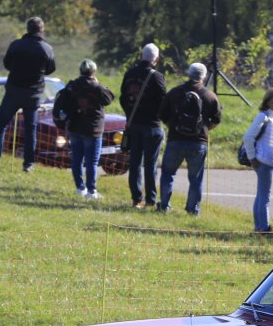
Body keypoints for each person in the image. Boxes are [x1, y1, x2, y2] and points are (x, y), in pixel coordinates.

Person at [0, 16, 56, 171]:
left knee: (1, 125)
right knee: (30, 129)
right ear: (41, 29)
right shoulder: (47, 49)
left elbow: (7, 64)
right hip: (33, 94)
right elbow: (50, 69)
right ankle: (28, 164)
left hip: (14, 92)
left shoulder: (16, 45)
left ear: (28, 29)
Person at [156, 62, 221, 214]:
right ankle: (193, 210)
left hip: (175, 139)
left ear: (189, 74)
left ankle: (164, 206)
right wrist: (205, 128)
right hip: (199, 142)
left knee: (168, 174)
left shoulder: (174, 93)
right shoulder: (210, 96)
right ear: (204, 76)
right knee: (195, 178)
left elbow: (162, 114)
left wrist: (172, 126)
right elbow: (217, 119)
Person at [118, 43, 168, 208]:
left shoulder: (130, 73)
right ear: (156, 59)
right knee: (150, 164)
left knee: (134, 163)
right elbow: (164, 101)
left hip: (133, 124)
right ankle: (150, 200)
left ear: (141, 56)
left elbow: (123, 97)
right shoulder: (157, 77)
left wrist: (129, 114)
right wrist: (160, 117)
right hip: (152, 125)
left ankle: (136, 198)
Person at [61, 59, 115, 200]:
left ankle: (80, 188)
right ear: (94, 72)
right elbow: (109, 98)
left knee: (77, 159)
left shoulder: (72, 85)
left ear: (80, 71)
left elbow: (64, 101)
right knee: (92, 162)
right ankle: (92, 191)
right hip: (92, 129)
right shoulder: (97, 87)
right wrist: (98, 84)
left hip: (75, 127)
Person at [241, 87, 273, 233]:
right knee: (265, 196)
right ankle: (264, 229)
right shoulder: (263, 116)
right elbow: (248, 137)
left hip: (271, 161)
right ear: (267, 102)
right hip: (263, 161)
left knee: (261, 195)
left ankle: (259, 227)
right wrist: (252, 157)